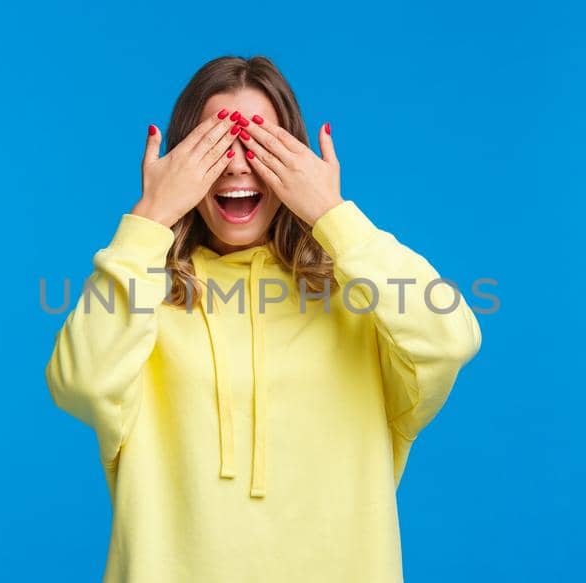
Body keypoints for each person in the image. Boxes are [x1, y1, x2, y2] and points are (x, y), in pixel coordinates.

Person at [45, 55, 482, 582]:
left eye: (259, 144)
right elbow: (79, 383)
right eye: (213, 146)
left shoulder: (359, 299)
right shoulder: (142, 295)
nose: (235, 165)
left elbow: (450, 339)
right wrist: (150, 217)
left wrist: (333, 215)